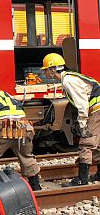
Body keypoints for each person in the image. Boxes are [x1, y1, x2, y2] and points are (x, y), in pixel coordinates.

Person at [41, 53, 100, 187]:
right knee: (98, 144)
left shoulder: (68, 81)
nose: (45, 72)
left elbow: (81, 103)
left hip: (96, 109)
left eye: (46, 70)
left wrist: (82, 123)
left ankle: (82, 179)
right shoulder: (70, 77)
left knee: (86, 143)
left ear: (52, 69)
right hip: (98, 108)